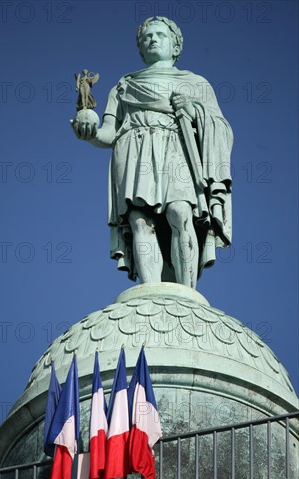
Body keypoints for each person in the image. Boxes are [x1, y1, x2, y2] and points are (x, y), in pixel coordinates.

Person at [72, 16, 233, 288]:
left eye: (160, 35)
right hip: (133, 149)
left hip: (176, 147)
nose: (153, 39)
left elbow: (222, 129)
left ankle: (185, 290)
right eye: (147, 37)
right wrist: (89, 131)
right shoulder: (124, 86)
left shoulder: (196, 83)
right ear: (140, 48)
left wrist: (194, 111)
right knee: (139, 220)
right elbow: (109, 133)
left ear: (175, 46)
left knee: (181, 212)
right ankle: (149, 289)